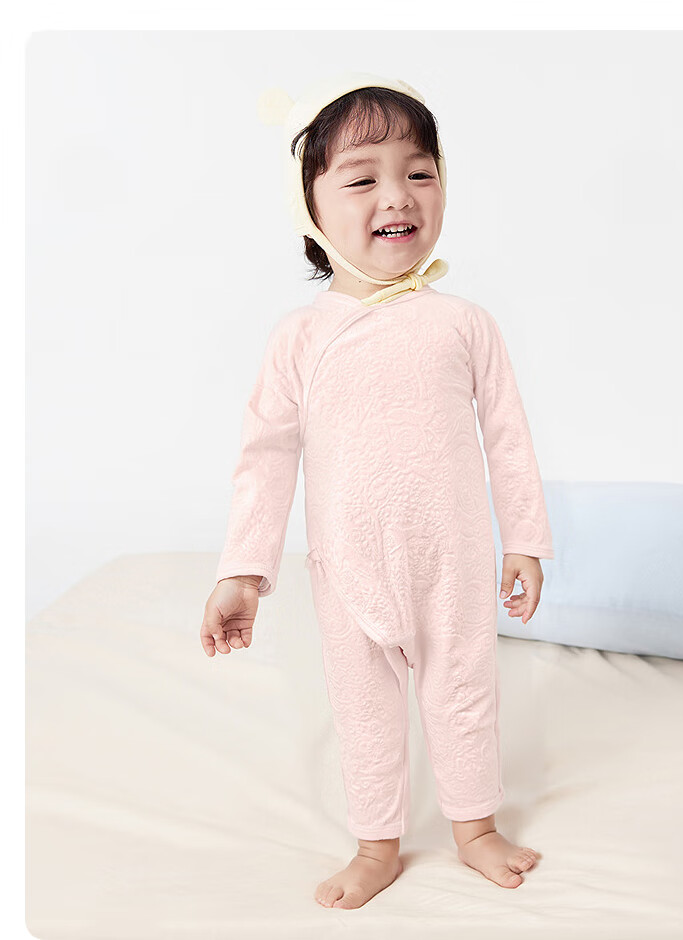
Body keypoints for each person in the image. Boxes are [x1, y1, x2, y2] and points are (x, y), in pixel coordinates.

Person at [199, 73, 554, 910]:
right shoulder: (299, 338)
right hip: (348, 567)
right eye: (362, 178)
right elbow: (266, 456)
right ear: (312, 211)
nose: (397, 195)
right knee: (363, 709)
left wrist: (525, 541)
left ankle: (475, 828)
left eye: (419, 172)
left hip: (451, 558)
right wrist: (242, 570)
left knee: (463, 691)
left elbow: (508, 437)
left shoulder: (464, 324)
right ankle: (375, 844)